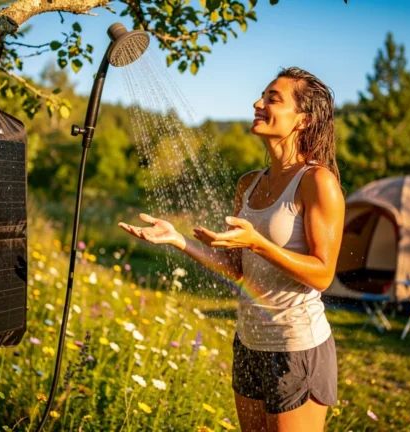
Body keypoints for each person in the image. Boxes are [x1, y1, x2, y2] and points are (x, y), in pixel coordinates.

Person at [118, 67, 345, 432]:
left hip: (296, 347)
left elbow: (322, 273)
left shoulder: (317, 182)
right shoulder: (249, 184)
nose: (258, 103)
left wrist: (259, 242)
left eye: (273, 98)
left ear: (302, 120)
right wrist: (179, 240)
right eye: (262, 95)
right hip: (249, 343)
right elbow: (239, 269)